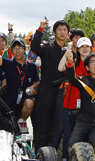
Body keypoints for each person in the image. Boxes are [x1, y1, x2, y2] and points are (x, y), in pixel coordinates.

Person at [30, 18, 70, 150]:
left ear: (68, 34)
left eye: (65, 30)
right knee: (43, 124)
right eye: (59, 30)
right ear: (54, 33)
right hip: (46, 91)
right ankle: (40, 155)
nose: (62, 32)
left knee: (57, 125)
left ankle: (52, 156)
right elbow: (35, 47)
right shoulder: (47, 47)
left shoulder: (69, 52)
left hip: (62, 92)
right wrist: (40, 29)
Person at [57, 36, 92, 161]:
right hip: (70, 104)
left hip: (88, 106)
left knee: (84, 136)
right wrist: (68, 52)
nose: (84, 49)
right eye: (81, 47)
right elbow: (60, 68)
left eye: (87, 46)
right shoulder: (74, 61)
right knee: (68, 135)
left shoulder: (93, 63)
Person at [0, 37, 39, 131]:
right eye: (15, 48)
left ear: (25, 50)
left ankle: (22, 121)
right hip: (9, 101)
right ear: (12, 50)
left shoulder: (32, 66)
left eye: (20, 48)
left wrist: (32, 87)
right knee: (7, 130)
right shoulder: (8, 63)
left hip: (24, 100)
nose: (18, 51)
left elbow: (36, 81)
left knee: (30, 103)